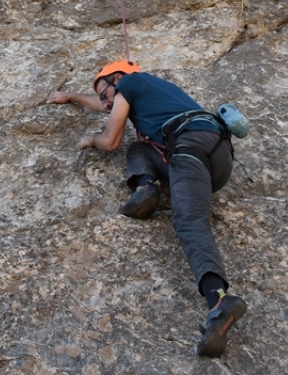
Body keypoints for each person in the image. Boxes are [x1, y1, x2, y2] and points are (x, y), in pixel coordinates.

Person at [46, 59, 247, 357]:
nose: (105, 104)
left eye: (105, 94)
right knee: (139, 146)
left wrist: (92, 140)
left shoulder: (130, 82)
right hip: (217, 159)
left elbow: (110, 140)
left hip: (191, 146)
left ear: (118, 78)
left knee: (189, 220)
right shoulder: (154, 92)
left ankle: (219, 299)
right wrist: (74, 97)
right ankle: (147, 188)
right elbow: (106, 107)